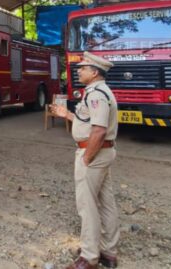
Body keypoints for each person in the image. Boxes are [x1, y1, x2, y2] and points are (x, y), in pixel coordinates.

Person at [50, 51, 120, 269]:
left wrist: (87, 158)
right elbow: (88, 121)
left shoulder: (96, 94)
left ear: (95, 72)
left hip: (93, 153)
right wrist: (67, 115)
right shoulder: (97, 91)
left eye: (83, 68)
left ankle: (89, 257)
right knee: (106, 202)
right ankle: (108, 252)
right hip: (103, 152)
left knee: (87, 205)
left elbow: (98, 131)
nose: (78, 71)